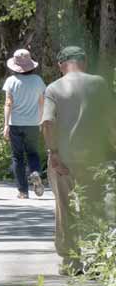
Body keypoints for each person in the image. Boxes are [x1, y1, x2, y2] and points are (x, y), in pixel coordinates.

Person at [42, 46, 116, 274]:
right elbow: (112, 122)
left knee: (65, 209)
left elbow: (47, 122)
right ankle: (97, 261)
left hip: (64, 160)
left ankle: (71, 263)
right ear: (84, 62)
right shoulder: (99, 84)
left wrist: (53, 152)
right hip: (96, 158)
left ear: (61, 65)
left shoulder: (54, 88)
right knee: (94, 207)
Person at [2, 49, 46, 199]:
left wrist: (6, 124)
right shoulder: (38, 81)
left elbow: (8, 103)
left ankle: (23, 191)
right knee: (33, 153)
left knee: (17, 157)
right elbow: (41, 103)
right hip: (33, 123)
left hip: (15, 124)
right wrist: (41, 121)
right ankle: (35, 172)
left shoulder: (11, 81)